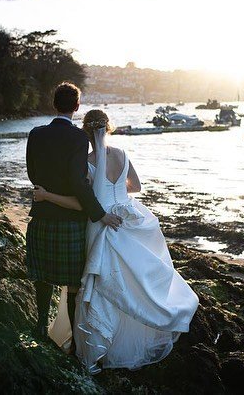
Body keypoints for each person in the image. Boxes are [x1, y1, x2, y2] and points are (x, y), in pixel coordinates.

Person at [33, 109, 199, 373]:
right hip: (126, 217)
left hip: (100, 222)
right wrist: (117, 192)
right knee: (132, 282)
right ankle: (128, 340)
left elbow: (84, 198)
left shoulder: (86, 161)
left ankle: (97, 344)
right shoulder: (122, 155)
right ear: (109, 128)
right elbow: (137, 186)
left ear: (85, 132)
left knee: (102, 283)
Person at [25, 83, 123, 343]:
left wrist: (47, 194)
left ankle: (39, 327)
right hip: (70, 222)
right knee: (72, 284)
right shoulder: (79, 139)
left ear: (53, 104)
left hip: (42, 217)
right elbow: (78, 183)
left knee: (43, 278)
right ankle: (73, 341)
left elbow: (32, 174)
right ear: (77, 107)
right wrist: (99, 214)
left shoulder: (35, 134)